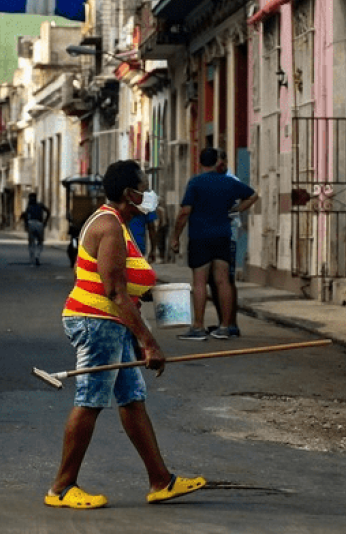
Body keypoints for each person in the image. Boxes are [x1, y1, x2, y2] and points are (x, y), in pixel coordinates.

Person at [47, 160, 206, 510]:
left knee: (132, 400)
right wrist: (149, 342)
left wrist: (146, 301)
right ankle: (61, 487)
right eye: (143, 188)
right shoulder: (109, 226)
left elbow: (121, 286)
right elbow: (114, 291)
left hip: (111, 323)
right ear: (128, 194)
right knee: (90, 401)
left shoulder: (119, 223)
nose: (149, 194)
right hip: (96, 322)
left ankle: (160, 481)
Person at [170, 148, 258, 341]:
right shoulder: (228, 182)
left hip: (200, 237)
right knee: (223, 281)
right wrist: (235, 210)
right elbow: (253, 196)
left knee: (200, 282)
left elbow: (185, 212)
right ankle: (225, 326)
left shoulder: (195, 182)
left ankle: (198, 326)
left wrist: (175, 236)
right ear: (217, 161)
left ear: (200, 162)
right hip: (222, 236)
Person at [208, 149, 246, 337]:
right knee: (214, 281)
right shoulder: (213, 180)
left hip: (227, 235)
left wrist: (229, 211)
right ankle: (222, 321)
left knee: (226, 279)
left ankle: (231, 323)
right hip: (212, 235)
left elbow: (249, 197)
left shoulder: (231, 181)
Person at [20, 192, 51, 265]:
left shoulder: (29, 207)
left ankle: (32, 258)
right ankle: (37, 256)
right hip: (40, 224)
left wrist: (26, 226)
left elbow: (25, 217)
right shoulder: (40, 205)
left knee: (31, 242)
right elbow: (48, 212)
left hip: (31, 224)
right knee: (40, 242)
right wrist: (45, 222)